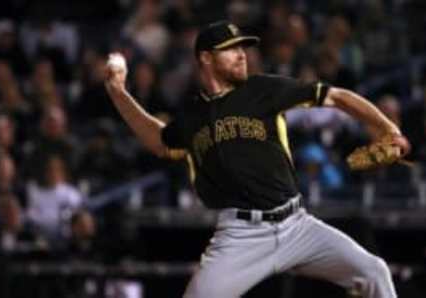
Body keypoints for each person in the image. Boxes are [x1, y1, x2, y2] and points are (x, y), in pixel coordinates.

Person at [104, 20, 410, 298]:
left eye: (242, 48)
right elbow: (159, 141)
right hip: (240, 236)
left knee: (374, 272)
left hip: (297, 224)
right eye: (230, 49)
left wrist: (388, 127)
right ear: (206, 58)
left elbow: (336, 96)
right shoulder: (192, 116)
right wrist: (118, 93)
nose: (242, 55)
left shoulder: (262, 89)